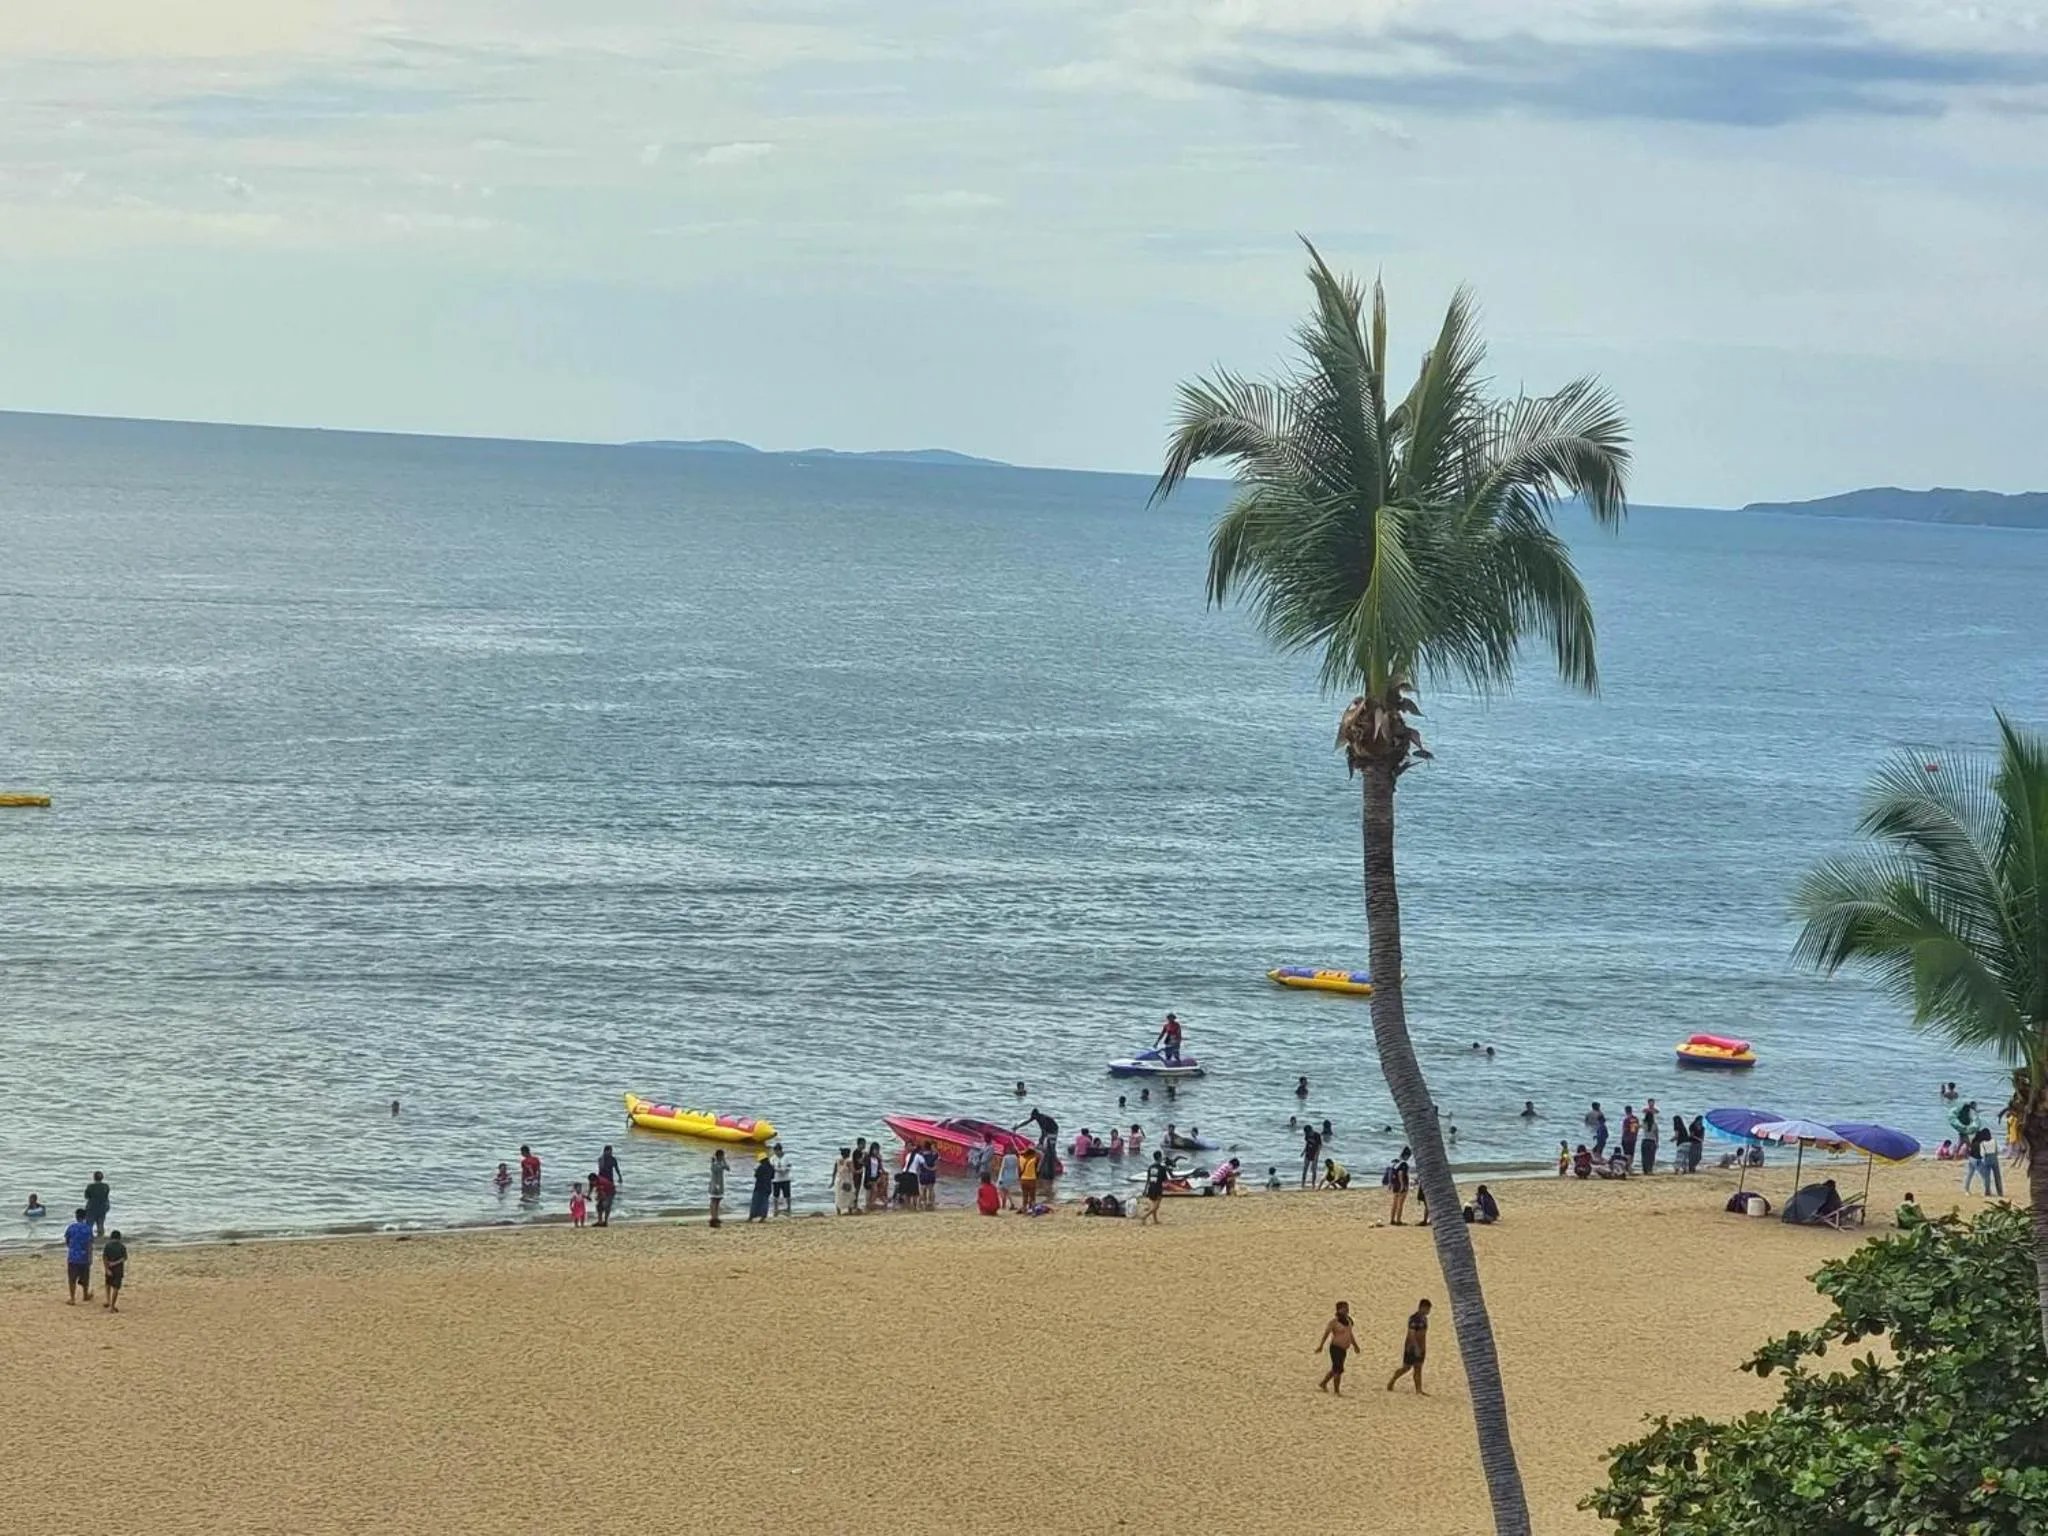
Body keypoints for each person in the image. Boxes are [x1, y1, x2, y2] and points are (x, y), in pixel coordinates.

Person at [1387, 1299, 1431, 1394]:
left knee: (1418, 1368)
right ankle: (1393, 1380)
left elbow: (1423, 1335)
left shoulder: (1424, 1319)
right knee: (1406, 1368)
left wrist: (1422, 1348)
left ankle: (1419, 1390)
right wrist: (1415, 1348)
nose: (1428, 1311)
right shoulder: (1414, 1319)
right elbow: (1411, 1335)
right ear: (1422, 1307)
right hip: (1411, 1347)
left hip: (1421, 1347)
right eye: (1427, 1309)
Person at [1316, 1301, 1359, 1394]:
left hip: (1344, 1349)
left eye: (1347, 1308)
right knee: (1338, 1369)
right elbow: (1326, 1333)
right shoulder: (1334, 1322)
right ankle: (1336, 1391)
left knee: (1335, 1368)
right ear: (1339, 1310)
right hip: (1335, 1348)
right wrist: (1321, 1346)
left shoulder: (1349, 1321)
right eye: (1344, 1308)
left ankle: (1323, 1383)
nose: (1347, 1310)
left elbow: (1350, 1335)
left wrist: (1355, 1345)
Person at [64, 1207, 94, 1304]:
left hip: (73, 1256)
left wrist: (71, 1247)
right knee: (85, 1277)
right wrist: (90, 1257)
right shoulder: (88, 1228)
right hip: (84, 1256)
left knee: (72, 1278)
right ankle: (85, 1295)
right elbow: (89, 1244)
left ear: (76, 1217)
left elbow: (67, 1241)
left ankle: (72, 1298)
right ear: (85, 1217)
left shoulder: (71, 1227)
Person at [101, 1230, 128, 1311]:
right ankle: (112, 1306)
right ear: (119, 1238)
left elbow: (104, 1258)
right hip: (118, 1270)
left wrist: (106, 1269)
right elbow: (125, 1258)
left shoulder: (107, 1246)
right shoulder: (122, 1246)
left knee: (108, 1284)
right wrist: (115, 1263)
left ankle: (108, 1300)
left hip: (109, 1269)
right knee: (116, 1287)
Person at [747, 1150, 775, 1223]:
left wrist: (755, 1171)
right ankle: (763, 1217)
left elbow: (756, 1176)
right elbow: (772, 1177)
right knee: (765, 1202)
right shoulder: (771, 1167)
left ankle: (751, 1217)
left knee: (755, 1202)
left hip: (759, 1186)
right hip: (768, 1186)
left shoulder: (760, 1167)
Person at [1140, 1155, 1166, 1224]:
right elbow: (1164, 1180)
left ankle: (1155, 1220)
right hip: (1158, 1187)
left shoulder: (1150, 1167)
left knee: (1154, 1204)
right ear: (1160, 1158)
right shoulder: (1162, 1168)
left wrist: (1145, 1190)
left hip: (1151, 1187)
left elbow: (1148, 1179)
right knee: (1156, 1206)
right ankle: (1145, 1216)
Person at [84, 1171, 111, 1237]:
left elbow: (86, 1196)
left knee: (89, 1225)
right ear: (102, 1178)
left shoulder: (90, 1186)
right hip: (102, 1207)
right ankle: (100, 1238)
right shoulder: (106, 1186)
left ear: (94, 1177)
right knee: (100, 1224)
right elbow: (106, 1195)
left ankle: (89, 1238)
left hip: (91, 1207)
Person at [1387, 1153, 1411, 1224]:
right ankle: (1398, 1220)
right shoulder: (1404, 1164)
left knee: (1394, 1203)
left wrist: (1390, 1183)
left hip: (1395, 1185)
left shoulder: (1395, 1163)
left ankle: (1392, 1219)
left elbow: (1390, 1173)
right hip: (1401, 1185)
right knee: (1400, 1204)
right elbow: (1400, 1173)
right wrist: (1402, 1185)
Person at [832, 1148, 857, 1215]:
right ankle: (850, 1211)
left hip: (839, 1180)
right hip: (847, 1180)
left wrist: (832, 1181)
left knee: (838, 1196)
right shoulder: (849, 1161)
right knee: (849, 1195)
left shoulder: (837, 1160)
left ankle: (838, 1211)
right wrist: (860, 1170)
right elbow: (853, 1171)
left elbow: (834, 1172)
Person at [708, 1149, 728, 1228]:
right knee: (713, 1201)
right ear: (719, 1156)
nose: (723, 1157)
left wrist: (724, 1161)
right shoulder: (714, 1164)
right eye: (722, 1155)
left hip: (720, 1184)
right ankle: (713, 1217)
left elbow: (727, 1168)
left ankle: (716, 1216)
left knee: (718, 1201)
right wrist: (716, 1186)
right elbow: (715, 1171)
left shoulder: (721, 1163)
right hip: (715, 1184)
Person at [997, 1143, 1021, 1209]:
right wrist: (1017, 1177)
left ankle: (1006, 1205)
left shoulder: (1006, 1157)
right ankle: (1008, 1205)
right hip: (1012, 1176)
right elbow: (1018, 1167)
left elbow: (1003, 1167)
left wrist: (1000, 1178)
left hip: (1005, 1176)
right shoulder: (1016, 1158)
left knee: (1001, 1190)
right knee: (1006, 1191)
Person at [770, 1144, 792, 1215]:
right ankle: (776, 1208)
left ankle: (788, 1207)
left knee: (787, 1194)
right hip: (776, 1179)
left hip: (785, 1178)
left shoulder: (787, 1157)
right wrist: (775, 1169)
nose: (776, 1153)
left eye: (777, 1151)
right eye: (775, 1151)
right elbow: (771, 1167)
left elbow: (789, 1166)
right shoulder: (773, 1158)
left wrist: (785, 1169)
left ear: (780, 1150)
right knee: (775, 1195)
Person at [917, 1141, 940, 1210]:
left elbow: (918, 1165)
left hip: (923, 1173)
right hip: (931, 1174)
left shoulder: (920, 1154)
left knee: (923, 1189)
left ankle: (923, 1203)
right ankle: (931, 1203)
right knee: (931, 1189)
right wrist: (931, 1169)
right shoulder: (934, 1155)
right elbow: (936, 1165)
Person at [1640, 1100, 1660, 1176]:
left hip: (1644, 1141)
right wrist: (1657, 1142)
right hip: (1652, 1141)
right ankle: (1650, 1170)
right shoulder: (1654, 1124)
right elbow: (1657, 1134)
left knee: (1644, 1156)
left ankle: (1644, 1170)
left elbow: (1639, 1126)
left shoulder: (1644, 1123)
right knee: (1651, 1157)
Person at [1018, 1143, 1040, 1209]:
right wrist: (1035, 1150)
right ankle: (1032, 1208)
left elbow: (1019, 1169)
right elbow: (1040, 1155)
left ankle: (1024, 1208)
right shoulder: (1034, 1159)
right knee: (1032, 1196)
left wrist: (1023, 1151)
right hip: (1032, 1179)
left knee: (1024, 1196)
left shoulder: (1021, 1158)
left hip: (1023, 1179)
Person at [1300, 1124, 1323, 1189]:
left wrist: (1317, 1155)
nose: (1308, 1134)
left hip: (1315, 1153)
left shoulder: (1317, 1135)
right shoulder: (1307, 1135)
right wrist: (1303, 1152)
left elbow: (1320, 1146)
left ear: (1311, 1130)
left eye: (1309, 1132)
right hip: (1308, 1153)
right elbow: (1307, 1144)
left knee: (1314, 1169)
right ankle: (1303, 1183)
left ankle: (1313, 1183)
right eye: (1306, 1133)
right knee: (1305, 1168)